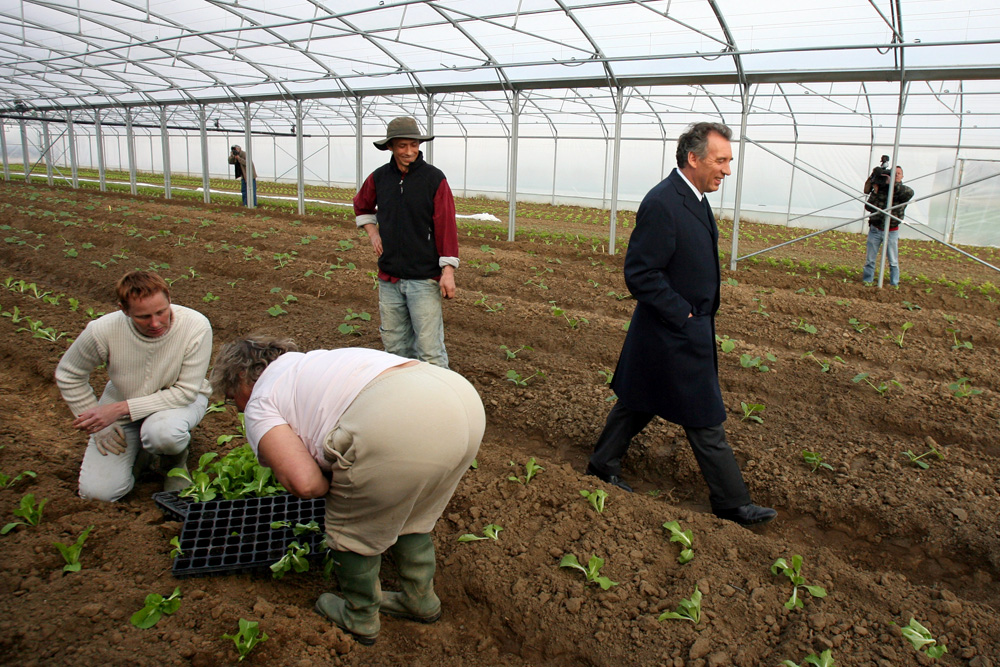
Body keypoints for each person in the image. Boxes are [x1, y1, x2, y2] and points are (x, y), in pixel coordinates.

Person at [211, 336, 484, 645]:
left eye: (233, 400)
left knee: (351, 529)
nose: (237, 408)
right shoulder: (314, 362)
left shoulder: (259, 399)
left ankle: (360, 615)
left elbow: (306, 483)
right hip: (461, 401)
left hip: (397, 422)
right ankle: (419, 599)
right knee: (412, 513)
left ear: (240, 382)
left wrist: (343, 492)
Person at [586, 122, 777, 527]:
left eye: (729, 161)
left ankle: (602, 464)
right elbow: (640, 272)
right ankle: (731, 502)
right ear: (693, 158)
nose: (727, 170)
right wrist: (683, 314)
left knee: (638, 401)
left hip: (681, 329)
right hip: (673, 330)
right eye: (720, 160)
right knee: (705, 418)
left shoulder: (694, 195)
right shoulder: (663, 201)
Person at [55, 271, 212, 502]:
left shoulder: (195, 325)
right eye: (143, 317)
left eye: (161, 312)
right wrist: (99, 425)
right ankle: (142, 451)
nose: (156, 323)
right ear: (124, 310)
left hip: (179, 403)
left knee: (163, 434)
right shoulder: (103, 330)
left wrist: (117, 410)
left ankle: (173, 464)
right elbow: (69, 373)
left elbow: (185, 392)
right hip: (124, 399)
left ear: (169, 298)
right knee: (98, 493)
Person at [353, 116, 459, 368]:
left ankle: (436, 399)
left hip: (423, 278)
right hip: (389, 277)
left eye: (413, 144)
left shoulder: (434, 179)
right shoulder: (379, 177)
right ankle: (406, 399)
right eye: (402, 146)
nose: (409, 151)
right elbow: (361, 205)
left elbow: (446, 225)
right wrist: (373, 232)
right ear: (390, 147)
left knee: (430, 350)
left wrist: (448, 270)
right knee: (395, 346)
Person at [862, 164, 914, 286]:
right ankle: (867, 281)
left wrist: (892, 184)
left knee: (893, 261)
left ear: (902, 176)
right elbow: (869, 207)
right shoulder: (881, 190)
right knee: (870, 259)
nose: (896, 175)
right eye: (893, 173)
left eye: (898, 174)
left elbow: (909, 194)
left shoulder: (904, 191)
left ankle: (894, 283)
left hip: (891, 230)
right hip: (875, 229)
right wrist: (875, 190)